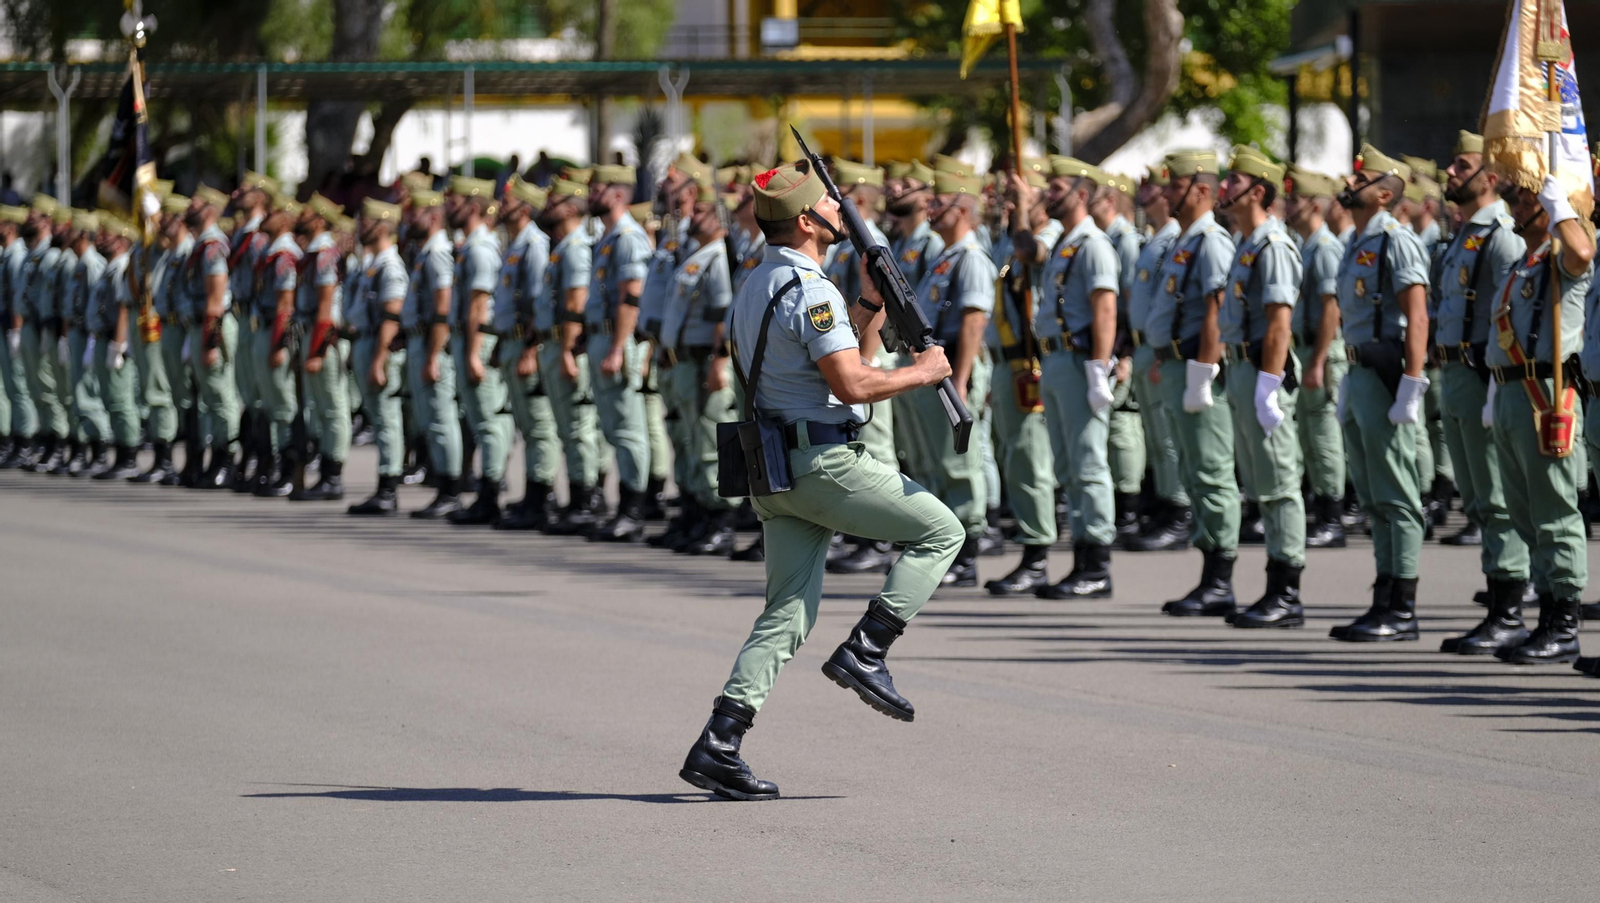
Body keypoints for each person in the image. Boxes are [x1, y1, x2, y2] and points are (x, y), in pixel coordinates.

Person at [678, 160, 959, 801]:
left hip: (775, 465)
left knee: (787, 614)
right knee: (943, 531)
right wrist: (924, 373)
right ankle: (868, 649)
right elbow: (853, 383)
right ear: (806, 220)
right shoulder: (811, 291)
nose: (842, 212)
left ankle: (719, 742)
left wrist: (866, 305)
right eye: (831, 206)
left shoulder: (760, 281)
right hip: (821, 463)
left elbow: (839, 362)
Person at [1482, 174, 1593, 664]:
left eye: (1530, 199)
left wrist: (1562, 207)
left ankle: (1563, 621)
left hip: (1545, 394)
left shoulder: (1561, 259)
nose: (1519, 204)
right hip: (1510, 391)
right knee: (1524, 512)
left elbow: (1583, 253)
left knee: (1554, 510)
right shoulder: (1521, 264)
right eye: (1519, 197)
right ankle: (1547, 609)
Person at [1432, 131, 1532, 654]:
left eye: (1462, 164)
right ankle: (1499, 600)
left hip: (1481, 376)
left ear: (1489, 178)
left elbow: (1508, 316)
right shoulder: (1466, 235)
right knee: (1476, 497)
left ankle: (1508, 609)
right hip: (1456, 377)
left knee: (1495, 498)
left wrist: (1498, 381)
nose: (1451, 172)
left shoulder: (1502, 236)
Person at [1328, 145, 1432, 643]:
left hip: (1388, 373)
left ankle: (1403, 606)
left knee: (1397, 492)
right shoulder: (1356, 240)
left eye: (1363, 177)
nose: (1352, 182)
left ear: (1385, 193)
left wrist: (1412, 384)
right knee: (1373, 493)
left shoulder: (1395, 239)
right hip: (1360, 372)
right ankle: (1383, 594)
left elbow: (1417, 316)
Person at [1018, 156, 1119, 598]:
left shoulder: (1092, 243)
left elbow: (1105, 309)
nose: (1047, 194)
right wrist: (1022, 208)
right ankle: (1081, 556)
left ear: (1082, 195)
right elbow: (1025, 249)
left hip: (1080, 362)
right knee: (1067, 465)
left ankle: (1096, 563)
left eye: (1056, 188)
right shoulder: (1065, 242)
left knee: (1088, 462)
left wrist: (1100, 368)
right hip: (1057, 361)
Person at [1146, 150, 1241, 617]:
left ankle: (1221, 578)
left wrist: (1203, 372)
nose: (1165, 193)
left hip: (1199, 371)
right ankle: (1209, 571)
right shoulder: (1187, 240)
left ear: (1200, 190)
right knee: (1194, 472)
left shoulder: (1211, 241)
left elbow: (1216, 311)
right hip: (1178, 365)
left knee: (1211, 472)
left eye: (1174, 184)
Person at [1217, 147, 1307, 628]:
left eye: (1234, 179)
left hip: (1260, 370)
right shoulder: (1247, 242)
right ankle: (1275, 587)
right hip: (1241, 369)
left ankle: (1287, 591)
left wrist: (1269, 386)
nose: (1224, 186)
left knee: (1278, 484)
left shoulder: (1272, 244)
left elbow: (1278, 324)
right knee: (1261, 484)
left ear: (1257, 191)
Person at [902, 168, 996, 588]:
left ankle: (968, 549)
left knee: (958, 462)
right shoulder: (946, 256)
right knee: (932, 462)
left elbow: (975, 319)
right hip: (931, 370)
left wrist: (961, 379)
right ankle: (942, 544)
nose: (930, 207)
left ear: (961, 208)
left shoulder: (971, 257)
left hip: (953, 367)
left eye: (939, 202)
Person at [981, 159, 1061, 595]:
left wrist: (1027, 211)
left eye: (1019, 196)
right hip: (1002, 361)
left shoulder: (1048, 234)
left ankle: (1038, 553)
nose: (1009, 203)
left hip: (1029, 361)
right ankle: (1029, 543)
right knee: (1014, 455)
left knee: (1031, 459)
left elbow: (1035, 254)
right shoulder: (1006, 239)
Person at [1122, 168, 1192, 552]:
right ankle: (1164, 504)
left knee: (1167, 437)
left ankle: (1178, 510)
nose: (1145, 207)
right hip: (1146, 344)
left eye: (1150, 200)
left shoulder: (1172, 241)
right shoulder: (1156, 240)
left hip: (1162, 347)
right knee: (1155, 435)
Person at [583, 164, 653, 542]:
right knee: (613, 428)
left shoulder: (628, 236)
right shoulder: (609, 237)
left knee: (628, 429)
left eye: (597, 188)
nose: (590, 194)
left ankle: (634, 510)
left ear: (617, 194)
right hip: (601, 338)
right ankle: (622, 507)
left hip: (616, 340)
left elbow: (631, 297)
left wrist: (615, 349)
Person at [1284, 165, 1350, 549]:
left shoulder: (1324, 248)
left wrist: (1318, 360)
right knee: (1310, 434)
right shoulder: (1306, 244)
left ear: (1312, 205)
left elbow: (1331, 308)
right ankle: (1320, 508)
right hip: (1306, 347)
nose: (1288, 205)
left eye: (1294, 198)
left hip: (1320, 349)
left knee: (1324, 435)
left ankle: (1332, 516)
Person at [490, 179, 560, 530]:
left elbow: (537, 304)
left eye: (509, 201)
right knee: (526, 423)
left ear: (524, 207)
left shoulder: (533, 244)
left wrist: (531, 349)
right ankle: (532, 492)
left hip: (526, 344)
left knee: (538, 423)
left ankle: (541, 494)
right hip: (512, 341)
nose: (501, 206)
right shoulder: (516, 244)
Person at [441, 176, 509, 524]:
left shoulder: (480, 248)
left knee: (488, 423)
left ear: (471, 207)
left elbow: (479, 304)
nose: (446, 208)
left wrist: (472, 352)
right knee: (481, 422)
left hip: (476, 342)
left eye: (453, 203)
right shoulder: (470, 245)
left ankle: (491, 494)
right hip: (467, 340)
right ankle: (488, 490)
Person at [403, 189, 465, 518]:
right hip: (420, 341)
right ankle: (444, 486)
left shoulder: (438, 251)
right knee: (431, 419)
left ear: (434, 216)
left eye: (416, 212)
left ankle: (451, 490)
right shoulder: (426, 251)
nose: (410, 218)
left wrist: (432, 355)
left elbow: (443, 306)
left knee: (442, 419)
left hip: (432, 345)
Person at [347, 198, 410, 515]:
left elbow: (392, 314)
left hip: (377, 346)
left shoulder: (389, 265)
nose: (360, 227)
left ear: (382, 226)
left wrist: (378, 359)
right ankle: (383, 485)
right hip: (365, 342)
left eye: (366, 222)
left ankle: (388, 488)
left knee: (386, 420)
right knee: (379, 417)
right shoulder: (371, 263)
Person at [287, 193, 351, 501]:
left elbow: (326, 305)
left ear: (321, 220)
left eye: (308, 212)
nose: (301, 215)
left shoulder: (325, 253)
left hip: (322, 336)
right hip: (309, 331)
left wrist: (316, 350)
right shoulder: (313, 253)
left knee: (332, 408)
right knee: (321, 409)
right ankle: (324, 472)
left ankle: (333, 475)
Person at [181, 186, 243, 489]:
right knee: (209, 397)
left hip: (212, 324)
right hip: (199, 323)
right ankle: (213, 457)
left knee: (221, 395)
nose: (189, 204)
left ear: (209, 210)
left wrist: (210, 341)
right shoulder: (201, 244)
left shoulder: (214, 245)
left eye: (195, 201)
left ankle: (227, 458)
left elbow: (215, 299)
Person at [227, 172, 276, 492]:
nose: (238, 192)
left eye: (245, 189)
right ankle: (248, 458)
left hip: (258, 318)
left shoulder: (260, 237)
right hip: (242, 317)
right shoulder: (241, 234)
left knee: (262, 395)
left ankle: (265, 461)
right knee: (246, 392)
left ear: (260, 197)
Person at [85, 218, 141, 480]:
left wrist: (118, 345)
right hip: (103, 337)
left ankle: (128, 456)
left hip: (114, 340)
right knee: (110, 398)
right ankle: (119, 454)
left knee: (120, 400)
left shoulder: (121, 266)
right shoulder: (111, 267)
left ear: (121, 241)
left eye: (108, 235)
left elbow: (123, 309)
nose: (100, 238)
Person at [61, 211, 111, 476]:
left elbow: (97, 304)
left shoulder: (92, 264)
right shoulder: (80, 263)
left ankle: (100, 451)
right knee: (78, 392)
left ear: (82, 234)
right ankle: (85, 449)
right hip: (78, 333)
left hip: (89, 334)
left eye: (71, 230)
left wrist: (93, 338)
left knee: (88, 393)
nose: (66, 235)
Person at [0, 205, 38, 468]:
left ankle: (25, 440)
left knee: (19, 385)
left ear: (10, 227)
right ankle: (12, 439)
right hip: (5, 326)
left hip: (13, 327)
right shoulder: (8, 255)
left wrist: (15, 330)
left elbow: (17, 297)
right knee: (9, 387)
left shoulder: (15, 257)